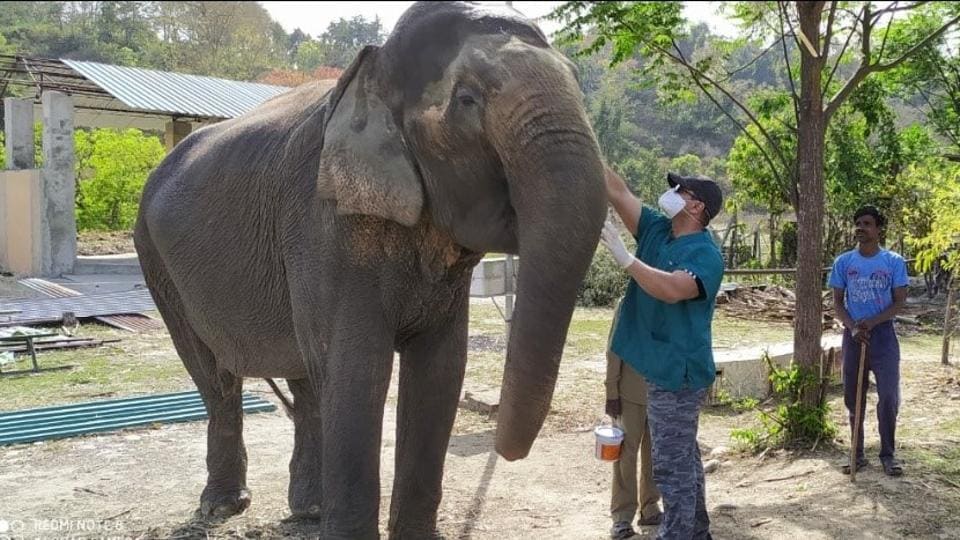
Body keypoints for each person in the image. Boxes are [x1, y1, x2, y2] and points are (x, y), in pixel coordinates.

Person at [599, 165, 724, 540]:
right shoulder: (657, 229)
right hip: (657, 368)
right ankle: (697, 530)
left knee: (671, 465)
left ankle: (679, 533)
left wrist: (627, 260)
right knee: (685, 456)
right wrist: (579, 135)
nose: (671, 195)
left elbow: (674, 289)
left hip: (678, 375)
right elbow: (619, 193)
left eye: (680, 192)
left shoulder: (706, 254)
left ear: (697, 207)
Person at [828, 205, 908, 477]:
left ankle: (888, 454)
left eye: (867, 223)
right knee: (854, 397)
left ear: (879, 229)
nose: (861, 228)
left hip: (883, 336)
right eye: (858, 223)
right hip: (853, 337)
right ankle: (857, 454)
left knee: (888, 397)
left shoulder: (893, 262)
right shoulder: (844, 263)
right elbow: (837, 303)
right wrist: (852, 328)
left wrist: (871, 323)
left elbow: (899, 302)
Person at [605, 300, 662, 539]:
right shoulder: (628, 304)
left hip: (661, 392)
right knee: (626, 456)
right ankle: (621, 517)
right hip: (630, 393)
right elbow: (615, 348)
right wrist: (611, 392)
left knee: (655, 455)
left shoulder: (668, 298)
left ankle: (650, 508)